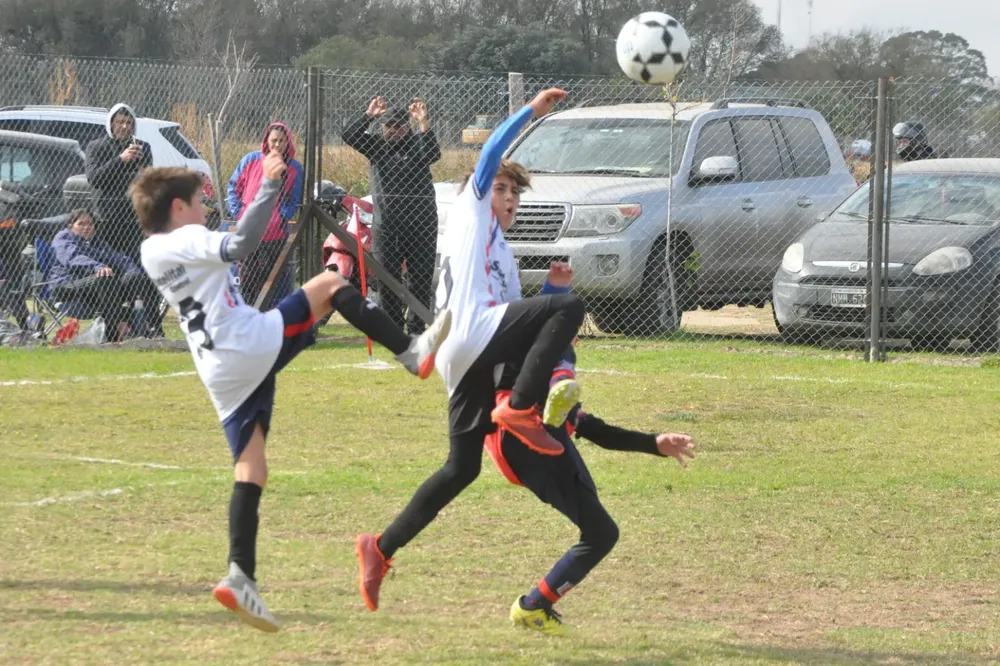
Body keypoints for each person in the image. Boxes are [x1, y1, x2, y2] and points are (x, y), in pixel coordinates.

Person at [132, 150, 452, 633]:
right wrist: (270, 185)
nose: (205, 209)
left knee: (251, 467)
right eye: (200, 201)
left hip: (217, 368)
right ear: (178, 208)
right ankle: (410, 350)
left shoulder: (150, 250)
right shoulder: (190, 236)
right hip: (246, 343)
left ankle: (241, 576)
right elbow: (241, 242)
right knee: (331, 280)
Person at [354, 88, 591, 613]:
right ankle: (522, 409)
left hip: (462, 355)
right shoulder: (471, 206)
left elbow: (525, 332)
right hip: (469, 333)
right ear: (481, 192)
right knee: (570, 311)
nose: (506, 196)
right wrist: (531, 112)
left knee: (461, 468)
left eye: (514, 192)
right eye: (501, 188)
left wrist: (548, 295)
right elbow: (487, 158)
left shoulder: (498, 252)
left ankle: (380, 548)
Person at [488, 272, 695, 636]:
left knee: (599, 530)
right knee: (600, 533)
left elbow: (589, 427)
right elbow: (546, 327)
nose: (577, 334)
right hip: (526, 434)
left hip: (525, 439)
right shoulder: (534, 351)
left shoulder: (528, 355)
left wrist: (653, 443)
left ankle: (536, 604)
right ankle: (533, 606)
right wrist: (556, 297)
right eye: (570, 326)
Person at [342, 96, 441, 335]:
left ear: (407, 126)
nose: (393, 130)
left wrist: (423, 124)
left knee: (419, 280)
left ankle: (416, 328)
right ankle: (393, 327)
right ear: (383, 127)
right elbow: (349, 135)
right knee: (387, 281)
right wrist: (369, 115)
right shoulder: (376, 146)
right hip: (387, 227)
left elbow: (432, 154)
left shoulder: (417, 143)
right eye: (389, 126)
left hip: (422, 226)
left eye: (398, 126)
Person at [48, 209, 159, 342]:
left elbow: (119, 259)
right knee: (104, 278)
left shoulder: (96, 243)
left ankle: (154, 330)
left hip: (96, 289)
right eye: (81, 224)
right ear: (71, 225)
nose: (86, 228)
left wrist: (133, 271)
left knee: (136, 279)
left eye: (90, 224)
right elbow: (72, 258)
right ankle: (113, 335)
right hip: (66, 287)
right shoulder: (63, 238)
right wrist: (97, 266)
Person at [227, 122, 304, 310]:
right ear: (266, 141)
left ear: (288, 143)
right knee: (247, 279)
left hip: (275, 236)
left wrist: (282, 216)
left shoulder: (294, 168)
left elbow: (294, 199)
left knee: (271, 282)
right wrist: (240, 213)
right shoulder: (250, 160)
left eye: (282, 141)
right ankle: (246, 318)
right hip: (249, 232)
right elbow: (233, 188)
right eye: (274, 141)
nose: (277, 145)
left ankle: (265, 321)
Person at [85, 104, 153, 260]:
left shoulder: (143, 148)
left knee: (137, 264)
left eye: (129, 123)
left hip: (134, 220)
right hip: (107, 219)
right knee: (111, 264)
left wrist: (142, 167)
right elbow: (95, 179)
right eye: (120, 122)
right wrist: (121, 160)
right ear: (111, 124)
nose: (125, 126)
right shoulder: (96, 147)